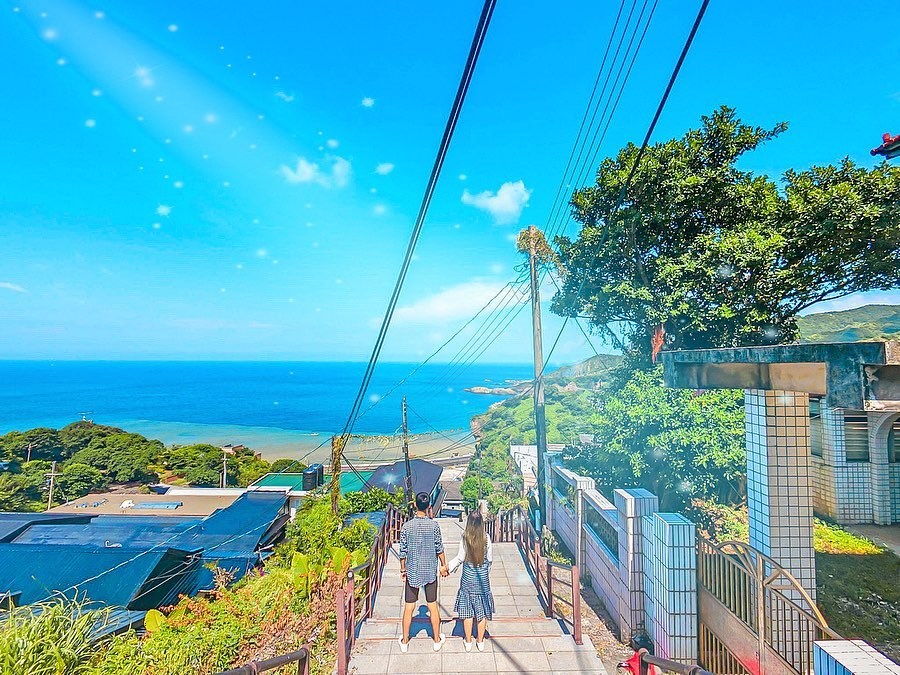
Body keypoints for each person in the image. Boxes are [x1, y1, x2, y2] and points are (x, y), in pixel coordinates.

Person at [398, 491, 448, 653]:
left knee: (409, 607)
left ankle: (405, 641)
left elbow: (403, 551)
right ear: (428, 506)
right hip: (429, 571)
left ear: (415, 505)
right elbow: (439, 548)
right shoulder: (434, 526)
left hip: (413, 571)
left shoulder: (406, 526)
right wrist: (444, 565)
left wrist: (403, 569)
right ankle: (436, 640)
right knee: (432, 605)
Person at [448, 509, 494, 652]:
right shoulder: (486, 538)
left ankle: (468, 641)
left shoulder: (465, 537)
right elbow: (490, 559)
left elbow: (460, 558)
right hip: (482, 580)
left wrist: (447, 568)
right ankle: (480, 641)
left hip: (468, 579)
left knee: (467, 612)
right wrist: (486, 572)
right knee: (482, 612)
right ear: (481, 523)